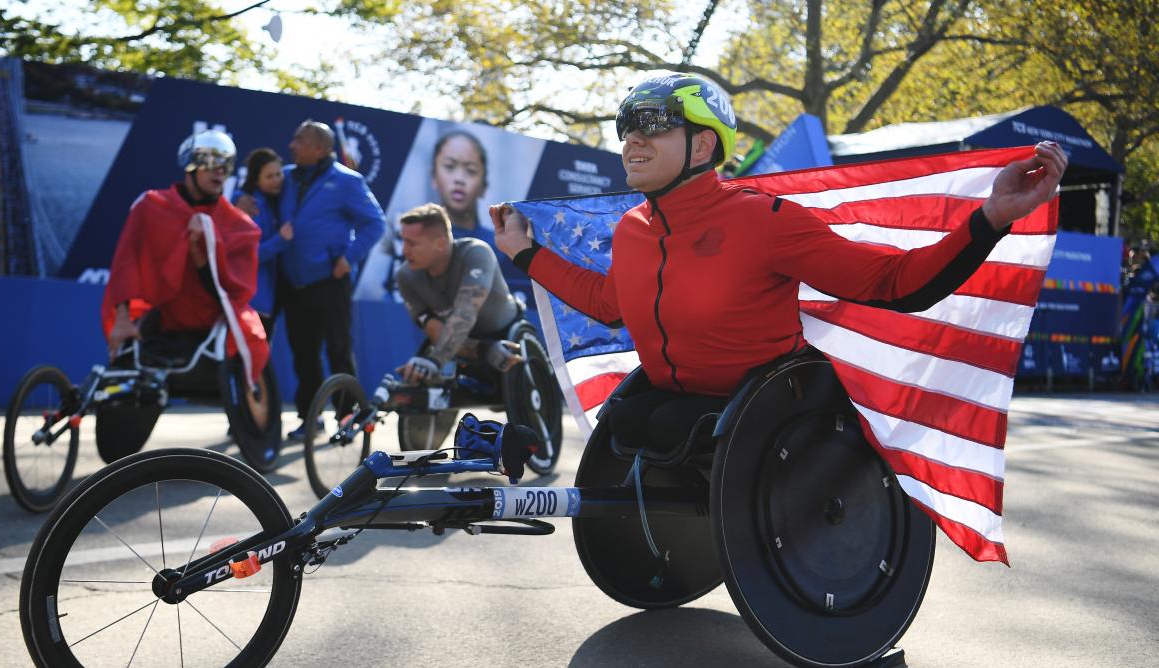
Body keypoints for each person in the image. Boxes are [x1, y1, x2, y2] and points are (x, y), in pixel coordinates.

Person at [491, 72, 1068, 452]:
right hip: (674, 405)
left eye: (652, 127)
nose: (631, 143)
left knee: (660, 426)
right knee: (627, 424)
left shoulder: (765, 220)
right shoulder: (633, 230)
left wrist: (991, 215)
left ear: (702, 146)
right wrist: (525, 252)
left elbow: (896, 286)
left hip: (769, 415)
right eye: (626, 130)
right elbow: (609, 307)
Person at [102, 129, 268, 384]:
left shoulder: (240, 225)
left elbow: (237, 291)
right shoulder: (151, 207)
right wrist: (122, 319)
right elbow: (126, 261)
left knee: (251, 339)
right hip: (163, 318)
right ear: (191, 163)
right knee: (117, 386)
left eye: (226, 164)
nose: (220, 170)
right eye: (211, 161)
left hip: (213, 324)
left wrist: (205, 249)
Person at [279, 119, 387, 440]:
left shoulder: (346, 181)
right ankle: (309, 420)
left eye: (299, 139)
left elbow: (374, 223)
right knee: (303, 354)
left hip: (330, 280)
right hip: (293, 281)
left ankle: (348, 417)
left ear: (321, 148)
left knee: (339, 349)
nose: (291, 145)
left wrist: (348, 258)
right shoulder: (284, 177)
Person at [394, 203, 523, 385]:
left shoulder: (476, 252)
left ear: (440, 244)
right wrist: (481, 349)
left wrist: (435, 360)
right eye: (403, 241)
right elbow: (434, 330)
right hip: (459, 344)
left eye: (412, 243)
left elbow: (465, 313)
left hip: (506, 332)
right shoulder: (405, 276)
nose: (404, 251)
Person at [428, 130, 528, 299]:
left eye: (471, 170)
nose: (459, 178)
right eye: (450, 167)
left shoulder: (501, 246)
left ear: (484, 187)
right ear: (433, 177)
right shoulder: (416, 240)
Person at [233, 147, 294, 336]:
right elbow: (251, 255)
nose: (277, 180)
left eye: (278, 174)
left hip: (269, 301)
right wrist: (281, 240)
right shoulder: (248, 205)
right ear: (255, 178)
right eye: (269, 176)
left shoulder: (274, 201)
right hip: (252, 301)